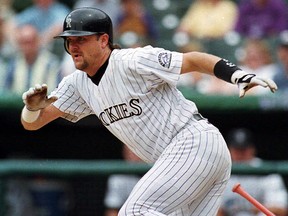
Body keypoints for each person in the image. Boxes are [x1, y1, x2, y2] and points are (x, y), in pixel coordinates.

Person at [20, 8, 277, 215]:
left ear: (104, 40)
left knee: (134, 211)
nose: (73, 46)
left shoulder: (132, 60)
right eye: (69, 41)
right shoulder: (75, 84)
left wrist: (236, 75)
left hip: (193, 142)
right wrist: (31, 109)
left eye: (81, 39)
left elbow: (194, 59)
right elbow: (33, 124)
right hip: (183, 158)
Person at [218, 128, 288, 216]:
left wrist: (260, 208)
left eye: (243, 149)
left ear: (252, 149)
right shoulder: (220, 173)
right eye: (237, 149)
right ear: (229, 150)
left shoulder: (266, 171)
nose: (240, 154)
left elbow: (281, 210)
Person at [4, 24, 61, 95]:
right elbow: (6, 91)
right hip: (16, 105)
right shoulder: (13, 64)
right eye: (23, 42)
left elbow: (55, 93)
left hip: (44, 105)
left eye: (29, 42)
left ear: (38, 41)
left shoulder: (51, 64)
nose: (27, 47)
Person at [104, 144, 143, 216]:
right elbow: (112, 211)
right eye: (131, 151)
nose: (135, 155)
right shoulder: (119, 179)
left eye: (138, 151)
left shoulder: (159, 172)